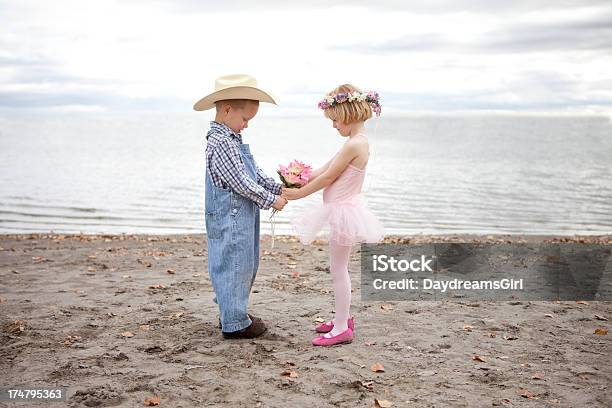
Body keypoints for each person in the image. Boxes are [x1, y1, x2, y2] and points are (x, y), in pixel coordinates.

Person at [283, 84, 385, 346]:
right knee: (337, 268)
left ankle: (341, 328)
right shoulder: (354, 143)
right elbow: (324, 169)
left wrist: (299, 194)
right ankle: (343, 317)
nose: (333, 126)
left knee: (339, 269)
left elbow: (330, 177)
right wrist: (296, 179)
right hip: (342, 211)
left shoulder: (356, 145)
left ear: (348, 114)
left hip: (344, 213)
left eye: (335, 120)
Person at [193, 74, 288, 339]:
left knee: (245, 263)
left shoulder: (231, 138)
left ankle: (233, 311)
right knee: (233, 263)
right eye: (245, 119)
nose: (246, 125)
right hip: (229, 216)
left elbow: (253, 174)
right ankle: (234, 322)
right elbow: (241, 183)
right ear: (226, 110)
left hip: (240, 214)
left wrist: (278, 186)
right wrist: (272, 200)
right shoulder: (221, 141)